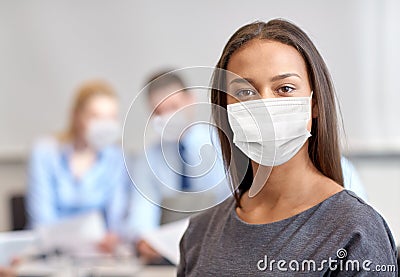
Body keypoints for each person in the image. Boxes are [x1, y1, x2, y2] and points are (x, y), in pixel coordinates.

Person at [178, 19, 397, 276]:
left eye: (285, 88)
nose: (265, 105)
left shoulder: (354, 231)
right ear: (225, 110)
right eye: (245, 92)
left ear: (314, 104)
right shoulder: (200, 232)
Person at [130, 70, 231, 263]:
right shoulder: (149, 157)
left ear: (191, 99)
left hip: (218, 248)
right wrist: (143, 238)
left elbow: (235, 200)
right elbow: (142, 207)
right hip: (167, 256)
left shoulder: (223, 144)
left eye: (174, 107)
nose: (168, 117)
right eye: (159, 112)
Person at [26, 79, 133, 252]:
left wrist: (113, 237)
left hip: (98, 254)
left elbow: (116, 218)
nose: (104, 126)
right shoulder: (45, 152)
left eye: (111, 118)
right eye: (96, 117)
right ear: (76, 115)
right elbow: (42, 218)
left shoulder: (116, 157)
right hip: (49, 252)